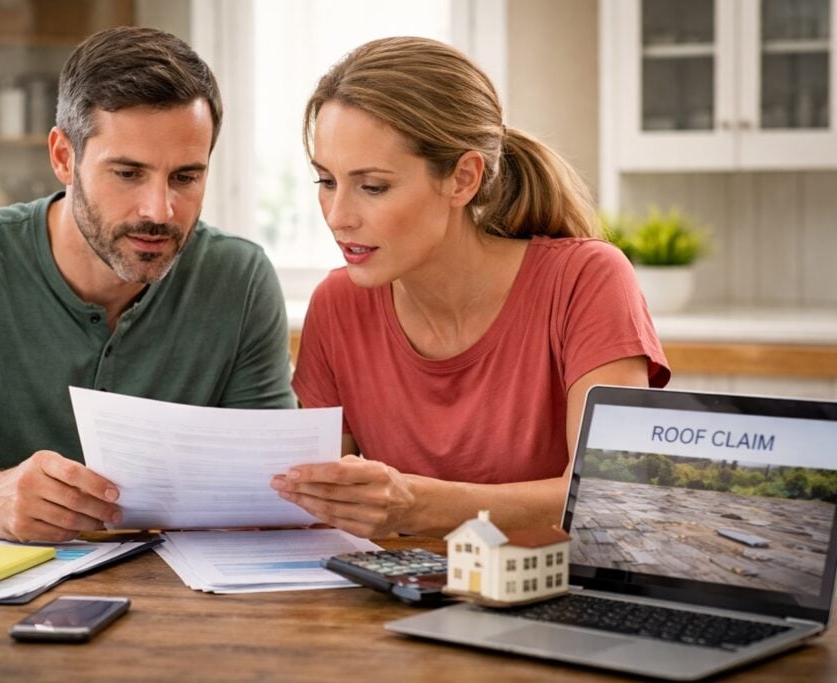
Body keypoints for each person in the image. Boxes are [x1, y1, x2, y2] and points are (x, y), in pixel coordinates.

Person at [0, 27, 294, 543]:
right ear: (64, 157)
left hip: (174, 601)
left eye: (185, 177)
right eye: (128, 174)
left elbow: (271, 490)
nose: (160, 210)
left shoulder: (238, 279)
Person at [271, 37, 670, 539]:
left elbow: (614, 496)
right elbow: (323, 512)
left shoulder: (585, 280)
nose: (337, 216)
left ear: (462, 179)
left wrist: (420, 507)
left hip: (560, 601)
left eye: (372, 187)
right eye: (326, 182)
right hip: (391, 604)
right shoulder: (338, 305)